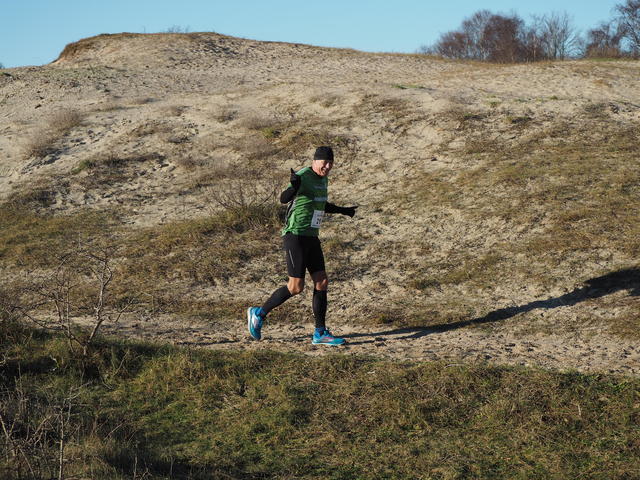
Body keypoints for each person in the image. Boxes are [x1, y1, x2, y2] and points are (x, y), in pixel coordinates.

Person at [247, 146, 357, 345]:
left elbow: (320, 204)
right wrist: (293, 186)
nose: (328, 166)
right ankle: (259, 313)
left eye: (331, 163)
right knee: (296, 287)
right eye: (324, 162)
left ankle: (320, 333)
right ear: (315, 161)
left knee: (322, 281)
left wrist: (343, 210)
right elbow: (284, 199)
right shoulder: (303, 175)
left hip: (311, 237)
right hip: (295, 236)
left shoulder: (323, 178)